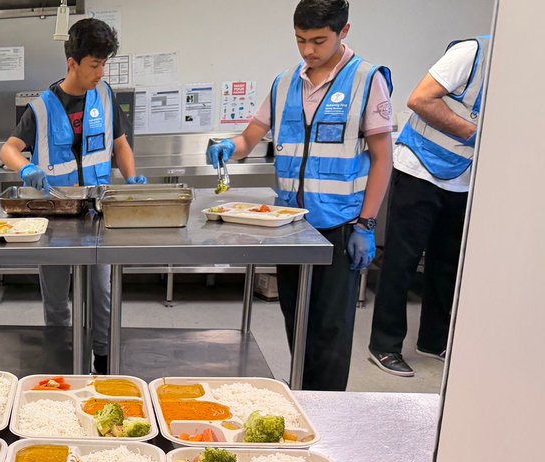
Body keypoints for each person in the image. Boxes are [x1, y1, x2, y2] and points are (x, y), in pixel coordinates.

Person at [207, 0, 393, 390]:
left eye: (318, 40)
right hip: (291, 228)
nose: (309, 50)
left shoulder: (366, 79)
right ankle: (304, 403)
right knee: (298, 322)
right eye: (301, 40)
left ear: (344, 32)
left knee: (331, 331)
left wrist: (367, 224)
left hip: (340, 228)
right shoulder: (284, 82)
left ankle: (327, 416)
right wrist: (229, 146)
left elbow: (382, 159)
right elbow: (250, 138)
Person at [0, 18, 147, 374]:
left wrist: (132, 179)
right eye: (95, 65)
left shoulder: (106, 96)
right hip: (54, 220)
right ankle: (60, 361)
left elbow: (120, 144)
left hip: (99, 217)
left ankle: (103, 359)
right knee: (55, 298)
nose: (101, 71)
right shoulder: (42, 107)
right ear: (73, 64)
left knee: (103, 293)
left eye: (104, 64)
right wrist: (26, 168)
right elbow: (9, 149)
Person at [367, 36, 488, 377]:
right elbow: (420, 99)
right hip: (419, 166)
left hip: (462, 176)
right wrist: (478, 134)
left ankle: (433, 340)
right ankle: (384, 346)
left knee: (447, 262)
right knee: (401, 261)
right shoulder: (473, 52)